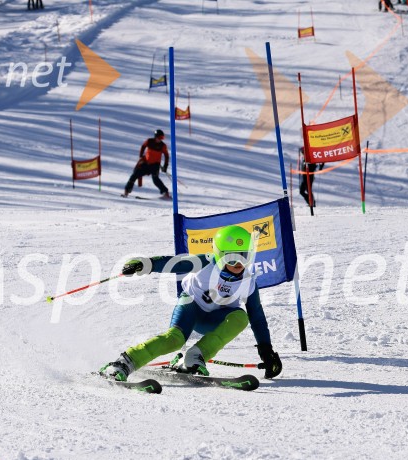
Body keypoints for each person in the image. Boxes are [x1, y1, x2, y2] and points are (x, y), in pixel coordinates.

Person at [99, 225, 283, 382]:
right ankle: (124, 362)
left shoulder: (248, 282)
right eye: (232, 257)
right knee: (174, 340)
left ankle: (195, 356)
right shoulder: (205, 262)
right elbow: (174, 264)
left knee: (241, 317)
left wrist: (266, 351)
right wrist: (146, 264)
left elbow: (257, 318)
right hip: (191, 308)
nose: (239, 263)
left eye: (244, 256)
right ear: (220, 255)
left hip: (215, 320)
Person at [123, 129, 170, 199]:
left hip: (155, 165)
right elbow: (143, 146)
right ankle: (126, 192)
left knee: (155, 179)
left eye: (162, 138)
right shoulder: (149, 141)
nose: (160, 140)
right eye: (160, 138)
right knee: (134, 175)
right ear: (155, 137)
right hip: (146, 163)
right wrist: (141, 155)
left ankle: (165, 193)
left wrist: (165, 166)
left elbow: (166, 155)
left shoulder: (163, 145)